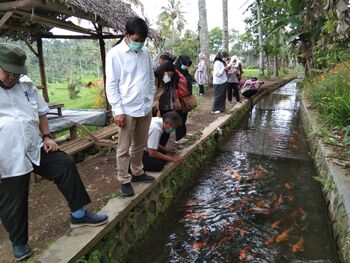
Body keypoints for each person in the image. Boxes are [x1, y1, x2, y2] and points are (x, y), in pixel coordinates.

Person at [0, 43, 108, 261]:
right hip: (7, 156)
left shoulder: (27, 85)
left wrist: (47, 137)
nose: (12, 77)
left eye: (16, 74)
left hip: (35, 146)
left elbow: (41, 112)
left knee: (64, 165)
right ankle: (19, 243)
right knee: (14, 198)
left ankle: (78, 215)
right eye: (8, 73)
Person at [105, 17, 155, 197]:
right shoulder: (115, 54)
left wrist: (150, 100)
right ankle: (124, 179)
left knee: (140, 144)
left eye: (142, 41)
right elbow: (111, 84)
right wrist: (117, 110)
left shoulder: (146, 53)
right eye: (136, 40)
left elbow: (150, 78)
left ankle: (138, 172)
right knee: (124, 148)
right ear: (127, 35)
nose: (140, 44)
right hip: (125, 109)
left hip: (145, 107)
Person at [174, 55, 193, 144]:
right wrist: (176, 99)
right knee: (179, 117)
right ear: (180, 62)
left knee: (184, 116)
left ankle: (183, 134)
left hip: (186, 98)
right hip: (179, 98)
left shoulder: (185, 72)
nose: (186, 65)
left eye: (188, 64)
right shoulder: (175, 72)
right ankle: (178, 138)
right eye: (185, 64)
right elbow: (174, 87)